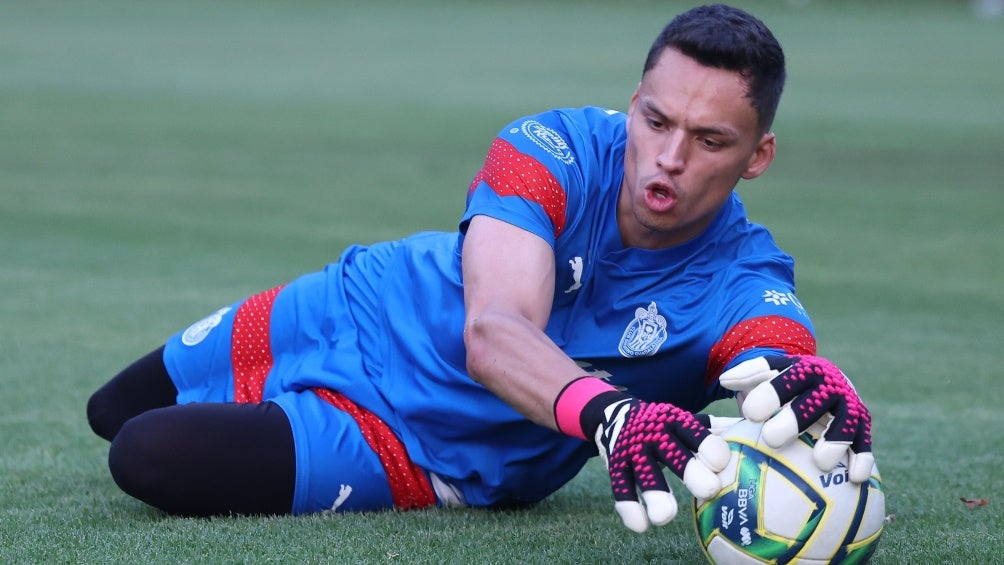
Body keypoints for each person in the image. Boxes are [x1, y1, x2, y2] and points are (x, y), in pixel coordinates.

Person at [87, 4, 874, 534]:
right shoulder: (552, 148)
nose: (668, 158)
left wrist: (809, 385)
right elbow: (494, 332)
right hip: (356, 306)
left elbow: (775, 359)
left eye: (708, 140)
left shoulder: (743, 273)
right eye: (657, 120)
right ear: (633, 102)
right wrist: (614, 416)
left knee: (147, 454)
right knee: (111, 408)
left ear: (757, 155)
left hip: (422, 449)